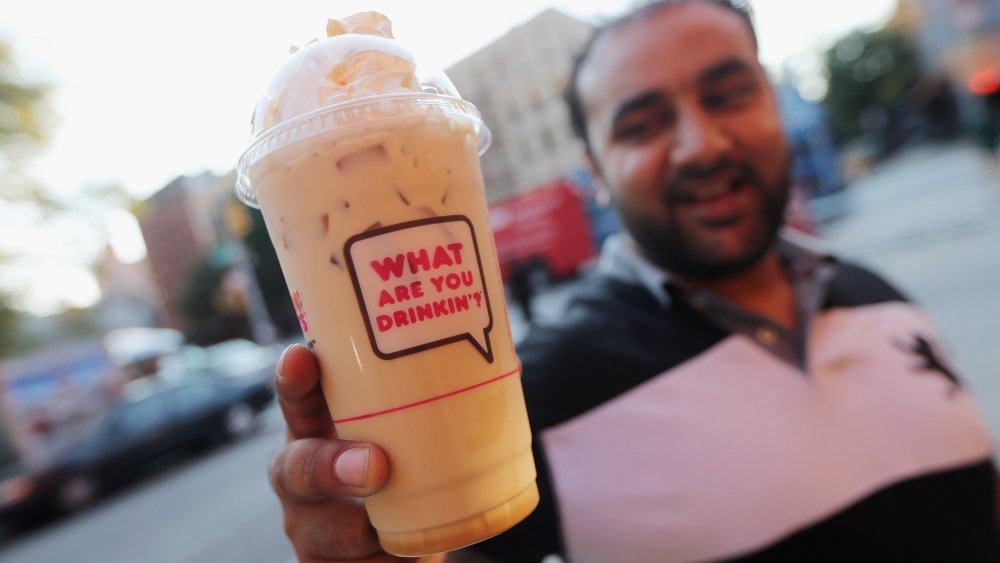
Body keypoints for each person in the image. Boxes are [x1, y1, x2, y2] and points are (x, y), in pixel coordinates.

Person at [268, 1, 1000, 561]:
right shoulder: (539, 397)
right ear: (593, 171)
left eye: (728, 94)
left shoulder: (880, 294)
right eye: (643, 123)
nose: (701, 144)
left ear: (774, 105)